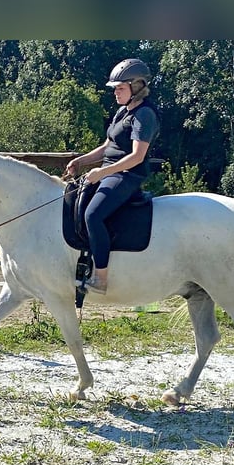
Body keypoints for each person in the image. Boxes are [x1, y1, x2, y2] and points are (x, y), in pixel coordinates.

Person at [65, 58, 160, 295]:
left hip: (127, 175)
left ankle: (101, 278)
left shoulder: (144, 115)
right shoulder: (122, 112)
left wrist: (101, 172)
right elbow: (107, 145)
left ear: (137, 86)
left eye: (120, 88)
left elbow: (137, 156)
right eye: (115, 88)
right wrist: (82, 161)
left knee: (93, 215)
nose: (115, 92)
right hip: (110, 171)